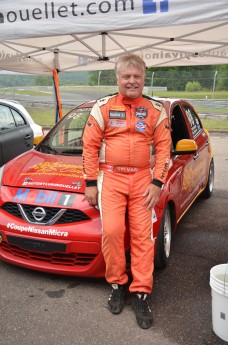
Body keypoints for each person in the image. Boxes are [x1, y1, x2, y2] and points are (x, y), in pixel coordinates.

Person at [82, 54, 171, 329]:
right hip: (110, 178)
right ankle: (118, 284)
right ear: (117, 78)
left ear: (144, 79)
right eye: (126, 76)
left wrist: (157, 183)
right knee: (111, 233)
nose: (132, 81)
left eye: (137, 77)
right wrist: (90, 183)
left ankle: (141, 292)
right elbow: (89, 146)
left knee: (143, 237)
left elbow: (165, 148)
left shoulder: (156, 109)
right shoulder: (103, 107)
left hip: (144, 180)